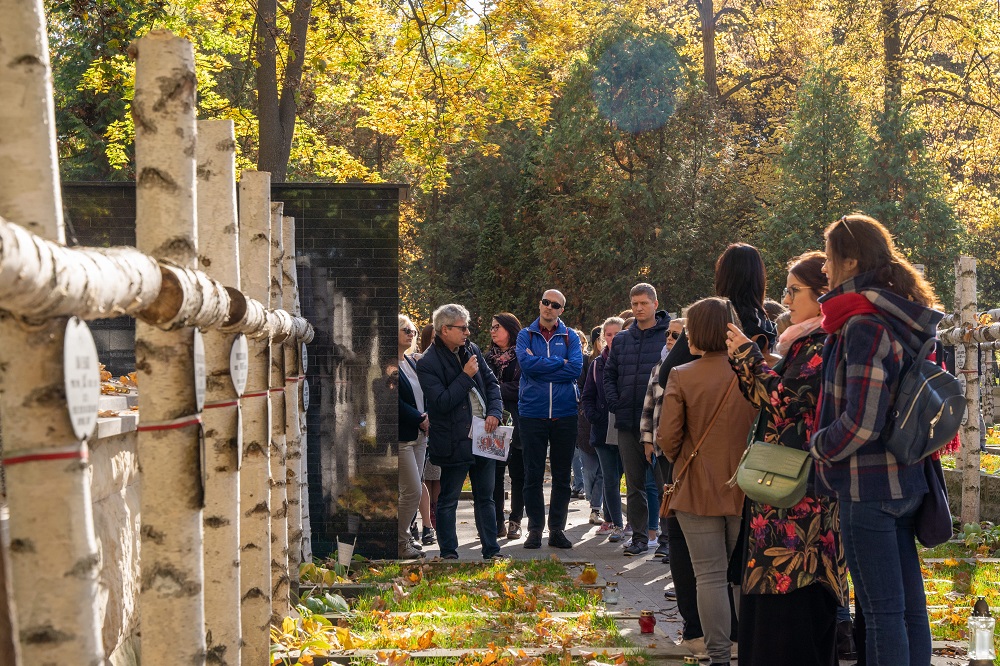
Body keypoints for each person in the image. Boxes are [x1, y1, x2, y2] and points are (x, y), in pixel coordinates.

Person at [809, 214, 939, 666]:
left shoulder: (864, 323)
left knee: (882, 613)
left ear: (851, 261)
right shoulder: (902, 316)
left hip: (868, 487)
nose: (824, 269)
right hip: (909, 478)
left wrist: (819, 445)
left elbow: (862, 422)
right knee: (909, 609)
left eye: (828, 259)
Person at [724, 252, 848, 666]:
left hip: (800, 512)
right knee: (775, 614)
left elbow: (785, 404)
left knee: (791, 618)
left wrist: (748, 357)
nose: (787, 299)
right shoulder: (804, 341)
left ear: (823, 295)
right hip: (785, 502)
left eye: (794, 290)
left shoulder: (821, 343)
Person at [657, 243, 776, 653]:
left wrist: (680, 458)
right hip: (751, 484)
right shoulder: (758, 367)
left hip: (696, 486)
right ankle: (753, 646)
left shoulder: (682, 375)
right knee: (744, 573)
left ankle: (718, 653)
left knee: (707, 576)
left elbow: (667, 438)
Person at [417, 304, 504, 560]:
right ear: (445, 329)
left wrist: (495, 413)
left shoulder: (471, 349)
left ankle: (492, 551)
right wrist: (465, 376)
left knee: (486, 498)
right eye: (462, 328)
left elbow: (491, 384)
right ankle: (449, 554)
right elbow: (442, 402)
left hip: (484, 436)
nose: (468, 332)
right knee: (449, 499)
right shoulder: (428, 362)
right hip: (454, 441)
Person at [604, 283, 670, 556]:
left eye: (644, 303)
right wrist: (616, 404)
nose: (639, 308)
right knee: (634, 484)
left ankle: (667, 542)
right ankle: (640, 538)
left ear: (655, 303)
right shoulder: (621, 339)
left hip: (660, 424)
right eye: (634, 304)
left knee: (666, 484)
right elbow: (609, 375)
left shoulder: (669, 335)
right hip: (628, 421)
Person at [516, 289, 583, 549]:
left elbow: (575, 369)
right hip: (532, 413)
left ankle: (556, 529)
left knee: (561, 476)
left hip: (565, 413)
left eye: (555, 305)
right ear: (540, 303)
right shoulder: (525, 335)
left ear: (561, 310)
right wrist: (559, 363)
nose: (548, 307)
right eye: (545, 302)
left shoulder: (570, 337)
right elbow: (526, 366)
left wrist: (542, 364)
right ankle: (534, 529)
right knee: (532, 474)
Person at [639, 317, 685, 560]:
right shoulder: (658, 367)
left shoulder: (690, 366)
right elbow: (648, 405)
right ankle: (665, 541)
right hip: (659, 442)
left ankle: (677, 544)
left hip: (683, 446)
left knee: (680, 496)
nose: (669, 338)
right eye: (668, 333)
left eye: (676, 335)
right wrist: (647, 439)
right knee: (663, 492)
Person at [581, 317, 626, 542]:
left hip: (626, 427)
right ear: (602, 338)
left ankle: (611, 519)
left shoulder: (629, 361)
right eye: (608, 335)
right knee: (609, 477)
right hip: (602, 428)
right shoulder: (597, 364)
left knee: (621, 475)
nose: (612, 338)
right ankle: (617, 524)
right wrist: (594, 416)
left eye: (617, 334)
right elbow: (587, 395)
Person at [485, 312, 525, 540]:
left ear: (510, 329)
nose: (492, 331)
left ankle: (516, 521)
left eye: (497, 327)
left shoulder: (522, 356)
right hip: (494, 423)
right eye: (491, 327)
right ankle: (497, 522)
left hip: (519, 422)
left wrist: (495, 388)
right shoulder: (487, 357)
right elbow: (479, 386)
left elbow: (523, 387)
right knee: (495, 475)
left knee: (519, 474)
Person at [397, 315, 429, 559]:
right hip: (403, 437)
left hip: (420, 437)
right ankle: (399, 542)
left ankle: (403, 539)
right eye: (406, 330)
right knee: (413, 492)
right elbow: (393, 402)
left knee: (412, 490)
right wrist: (419, 418)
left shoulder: (411, 362)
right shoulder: (389, 364)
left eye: (414, 331)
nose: (411, 334)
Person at [575, 327, 605, 526]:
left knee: (603, 470)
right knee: (589, 470)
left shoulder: (611, 361)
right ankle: (591, 499)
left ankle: (596, 507)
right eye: (604, 337)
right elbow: (582, 390)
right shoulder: (588, 362)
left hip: (605, 423)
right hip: (586, 422)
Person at [418, 323, 442, 524]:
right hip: (423, 422)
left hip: (440, 423)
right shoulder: (418, 361)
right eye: (433, 338)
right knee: (425, 476)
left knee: (438, 475)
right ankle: (429, 515)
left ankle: (437, 511)